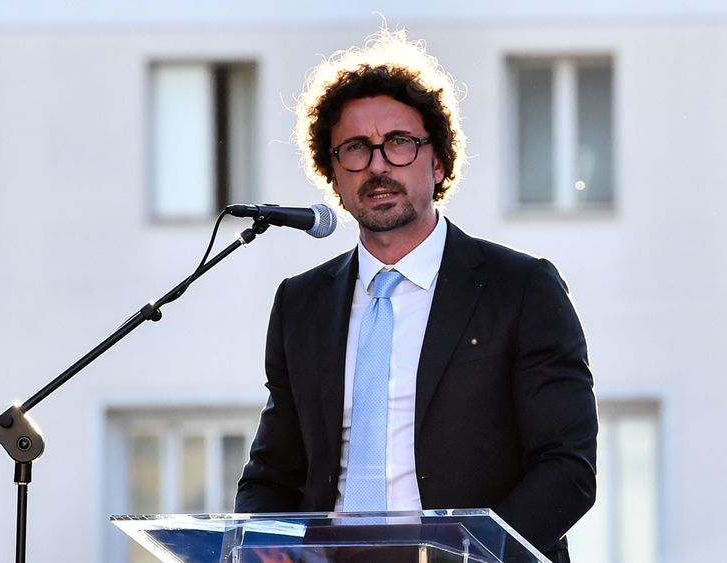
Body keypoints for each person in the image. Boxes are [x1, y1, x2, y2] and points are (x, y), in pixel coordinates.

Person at [236, 27, 597, 563]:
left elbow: (567, 467)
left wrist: (474, 556)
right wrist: (264, 543)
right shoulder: (301, 304)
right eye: (356, 148)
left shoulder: (521, 289)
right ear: (333, 175)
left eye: (400, 143)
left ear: (439, 162)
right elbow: (273, 474)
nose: (378, 165)